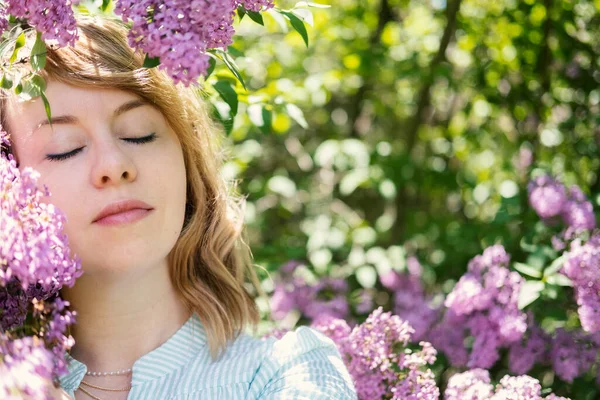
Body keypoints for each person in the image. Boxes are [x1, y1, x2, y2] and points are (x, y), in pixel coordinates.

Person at [0, 15, 357, 400]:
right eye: (65, 147)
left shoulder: (289, 372)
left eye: (139, 133)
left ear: (186, 158)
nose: (114, 165)